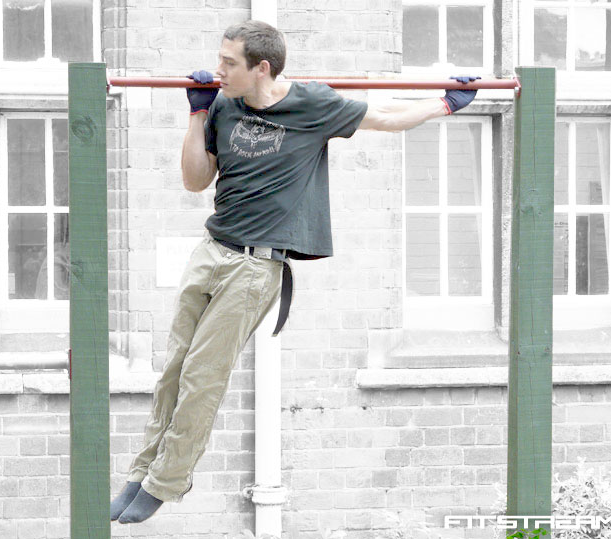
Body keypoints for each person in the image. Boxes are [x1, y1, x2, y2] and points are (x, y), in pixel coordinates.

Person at [111, 20, 478, 524]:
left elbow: (388, 117)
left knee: (202, 377)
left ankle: (164, 482)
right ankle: (141, 471)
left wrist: (442, 103)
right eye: (219, 59)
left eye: (229, 63)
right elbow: (196, 180)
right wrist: (196, 115)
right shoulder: (222, 103)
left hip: (255, 267)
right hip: (211, 250)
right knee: (173, 368)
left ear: (261, 68)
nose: (218, 69)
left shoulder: (313, 104)